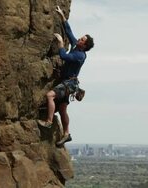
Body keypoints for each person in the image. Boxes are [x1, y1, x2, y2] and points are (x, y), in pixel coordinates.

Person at [37, 6, 94, 146]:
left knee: (50, 95)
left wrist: (61, 44)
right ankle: (67, 134)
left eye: (82, 39)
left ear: (84, 45)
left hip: (69, 84)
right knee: (62, 109)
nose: (79, 38)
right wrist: (62, 15)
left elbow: (64, 56)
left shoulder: (79, 55)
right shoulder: (77, 46)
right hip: (69, 83)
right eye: (81, 37)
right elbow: (69, 31)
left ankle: (49, 122)